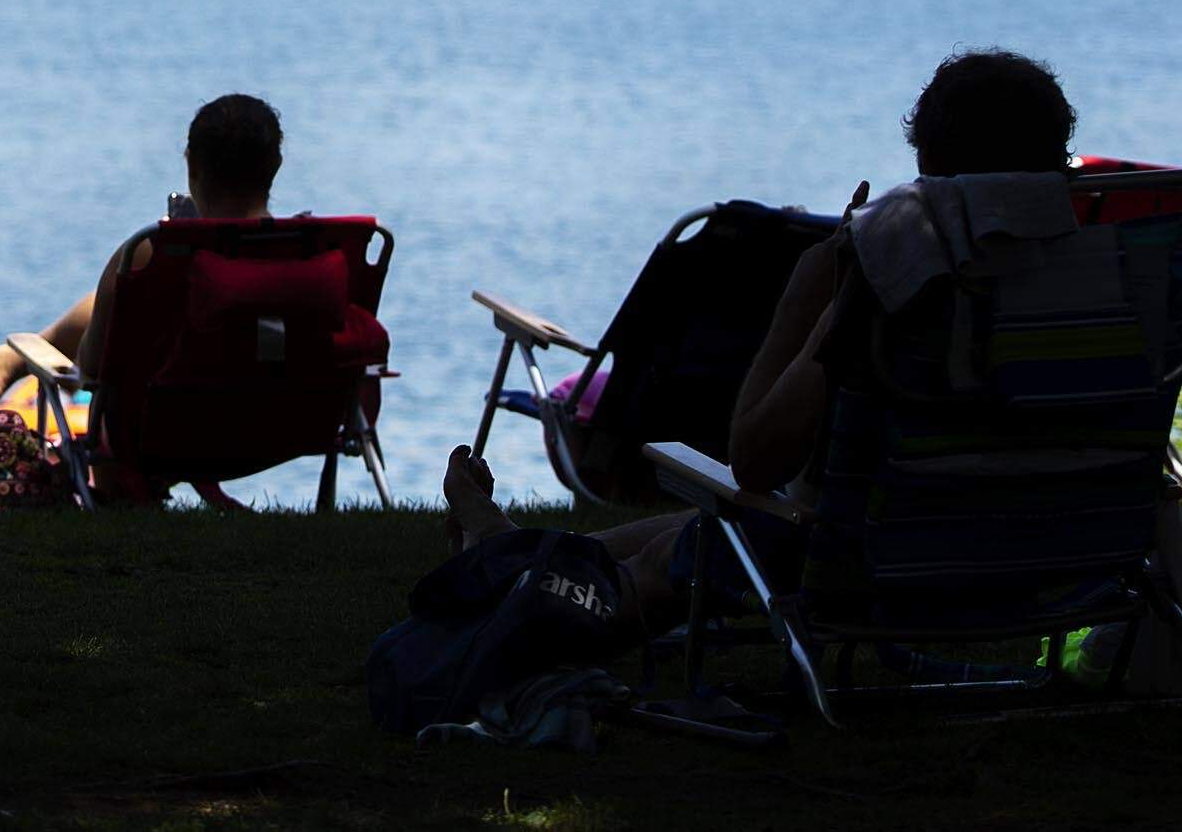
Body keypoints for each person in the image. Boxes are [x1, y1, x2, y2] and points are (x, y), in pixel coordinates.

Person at [439, 49, 1082, 631]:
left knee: (697, 545)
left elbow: (754, 460)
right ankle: (507, 544)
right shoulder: (1101, 283)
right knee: (696, 526)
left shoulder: (890, 281)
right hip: (1049, 552)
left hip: (881, 560)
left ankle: (509, 567)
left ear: (930, 173)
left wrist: (813, 289)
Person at [0, 93, 283, 402]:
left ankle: (7, 362)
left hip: (164, 434)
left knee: (128, 294)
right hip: (282, 427)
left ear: (191, 167)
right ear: (276, 166)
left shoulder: (150, 253)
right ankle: (1, 362)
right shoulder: (312, 254)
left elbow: (90, 371)